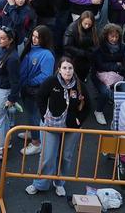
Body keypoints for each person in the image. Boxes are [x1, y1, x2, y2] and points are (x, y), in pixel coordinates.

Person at [25, 56, 93, 197]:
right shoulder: (51, 81)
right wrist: (44, 115)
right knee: (48, 156)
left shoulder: (79, 85)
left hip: (71, 127)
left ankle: (59, 182)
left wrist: (79, 121)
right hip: (50, 125)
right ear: (59, 69)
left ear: (73, 70)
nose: (67, 71)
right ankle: (40, 184)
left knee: (65, 157)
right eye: (64, 68)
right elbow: (40, 98)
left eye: (70, 68)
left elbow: (88, 106)